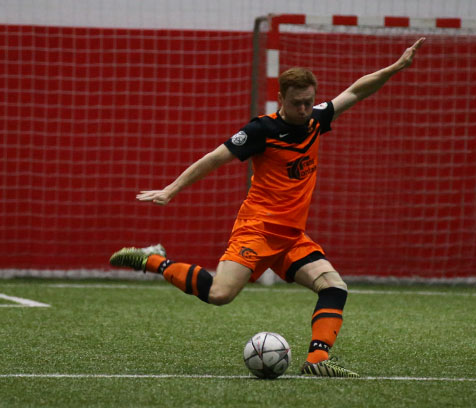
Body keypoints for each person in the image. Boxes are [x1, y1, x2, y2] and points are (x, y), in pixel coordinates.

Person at [110, 37, 426, 377]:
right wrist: (171, 189)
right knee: (219, 294)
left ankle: (317, 361)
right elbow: (215, 158)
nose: (303, 109)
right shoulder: (262, 129)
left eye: (308, 102)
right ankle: (153, 259)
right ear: (281, 99)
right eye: (296, 103)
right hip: (257, 230)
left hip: (291, 237)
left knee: (334, 287)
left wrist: (396, 67)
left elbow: (356, 90)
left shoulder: (316, 120)